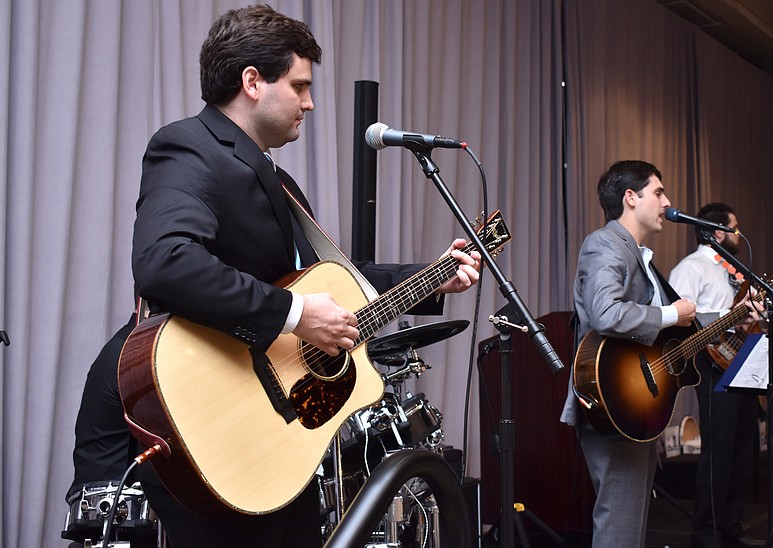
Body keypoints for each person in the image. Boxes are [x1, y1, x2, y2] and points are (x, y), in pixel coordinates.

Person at [66, 5, 481, 547]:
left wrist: (434, 275)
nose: (310, 102)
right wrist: (297, 316)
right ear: (253, 82)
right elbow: (164, 261)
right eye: (301, 85)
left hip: (263, 425)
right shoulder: (189, 145)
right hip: (177, 397)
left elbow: (329, 284)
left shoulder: (278, 182)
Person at [560, 160, 697, 547]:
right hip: (614, 401)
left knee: (629, 526)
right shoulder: (604, 243)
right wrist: (671, 313)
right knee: (619, 526)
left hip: (634, 403)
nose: (667, 202)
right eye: (658, 192)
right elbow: (606, 313)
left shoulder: (637, 255)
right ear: (631, 198)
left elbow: (655, 326)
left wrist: (735, 313)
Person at [668, 203, 773, 548]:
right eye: (734, 227)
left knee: (742, 452)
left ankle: (732, 529)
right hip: (711, 364)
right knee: (719, 453)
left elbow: (759, 312)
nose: (738, 233)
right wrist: (730, 315)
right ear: (717, 232)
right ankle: (706, 535)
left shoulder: (734, 270)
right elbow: (680, 317)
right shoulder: (692, 267)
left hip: (742, 362)